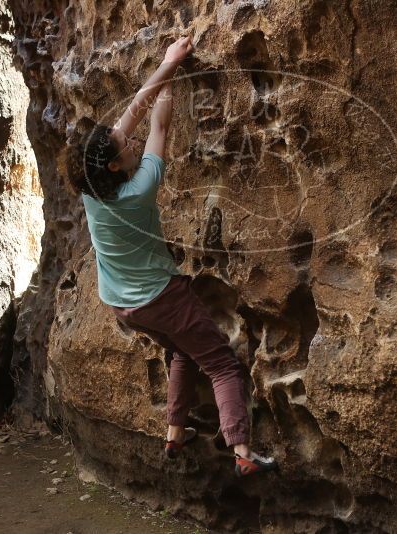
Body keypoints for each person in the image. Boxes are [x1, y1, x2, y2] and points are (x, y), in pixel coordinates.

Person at [67, 35, 278, 478]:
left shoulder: (92, 190)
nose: (130, 137)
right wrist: (170, 85)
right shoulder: (139, 190)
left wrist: (167, 66)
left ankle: (174, 434)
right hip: (160, 298)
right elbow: (158, 127)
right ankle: (242, 451)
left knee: (184, 352)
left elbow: (135, 114)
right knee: (222, 364)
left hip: (123, 306)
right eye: (125, 143)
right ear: (115, 164)